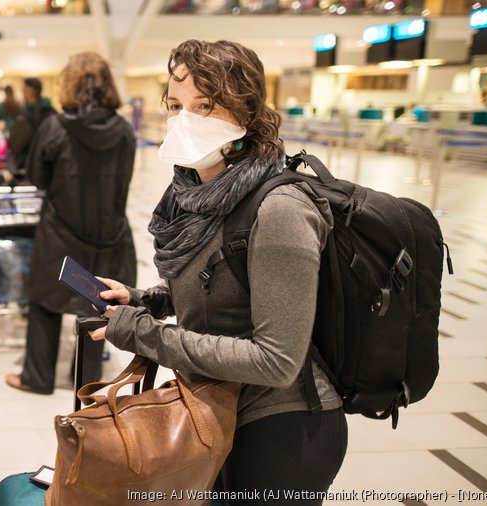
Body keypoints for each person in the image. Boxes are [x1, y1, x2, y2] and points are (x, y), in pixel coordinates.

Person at [88, 40, 346, 504]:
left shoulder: (280, 210)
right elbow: (221, 286)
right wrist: (145, 300)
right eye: (175, 106)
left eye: (205, 106)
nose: (185, 120)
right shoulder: (194, 194)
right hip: (216, 407)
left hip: (279, 431)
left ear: (244, 113)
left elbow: (276, 360)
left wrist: (147, 335)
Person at [5, 52, 136, 394]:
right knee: (98, 306)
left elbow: (37, 176)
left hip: (59, 231)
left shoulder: (56, 127)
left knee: (45, 303)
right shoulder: (123, 131)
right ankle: (87, 382)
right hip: (109, 233)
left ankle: (38, 376)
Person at [8, 77, 56, 173]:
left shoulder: (24, 115)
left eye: (23, 90)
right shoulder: (53, 113)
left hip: (27, 166)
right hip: (50, 165)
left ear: (28, 92)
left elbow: (15, 144)